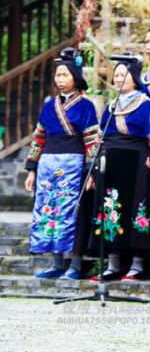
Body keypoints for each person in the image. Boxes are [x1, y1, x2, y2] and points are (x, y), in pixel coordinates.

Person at [89, 57, 150, 282]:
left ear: (134, 78)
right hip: (112, 165)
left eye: (123, 74)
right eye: (115, 75)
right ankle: (113, 264)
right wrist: (94, 170)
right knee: (112, 209)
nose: (118, 79)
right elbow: (99, 139)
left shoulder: (146, 105)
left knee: (137, 211)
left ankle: (136, 264)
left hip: (138, 165)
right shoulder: (112, 106)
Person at [24, 48, 99, 279]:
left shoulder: (86, 106)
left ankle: (75, 265)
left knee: (74, 213)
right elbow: (38, 138)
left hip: (74, 167)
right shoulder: (49, 106)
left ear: (76, 77)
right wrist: (32, 170)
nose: (61, 80)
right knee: (50, 212)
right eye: (58, 75)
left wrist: (91, 172)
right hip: (48, 166)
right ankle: (56, 263)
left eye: (65, 75)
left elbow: (92, 141)